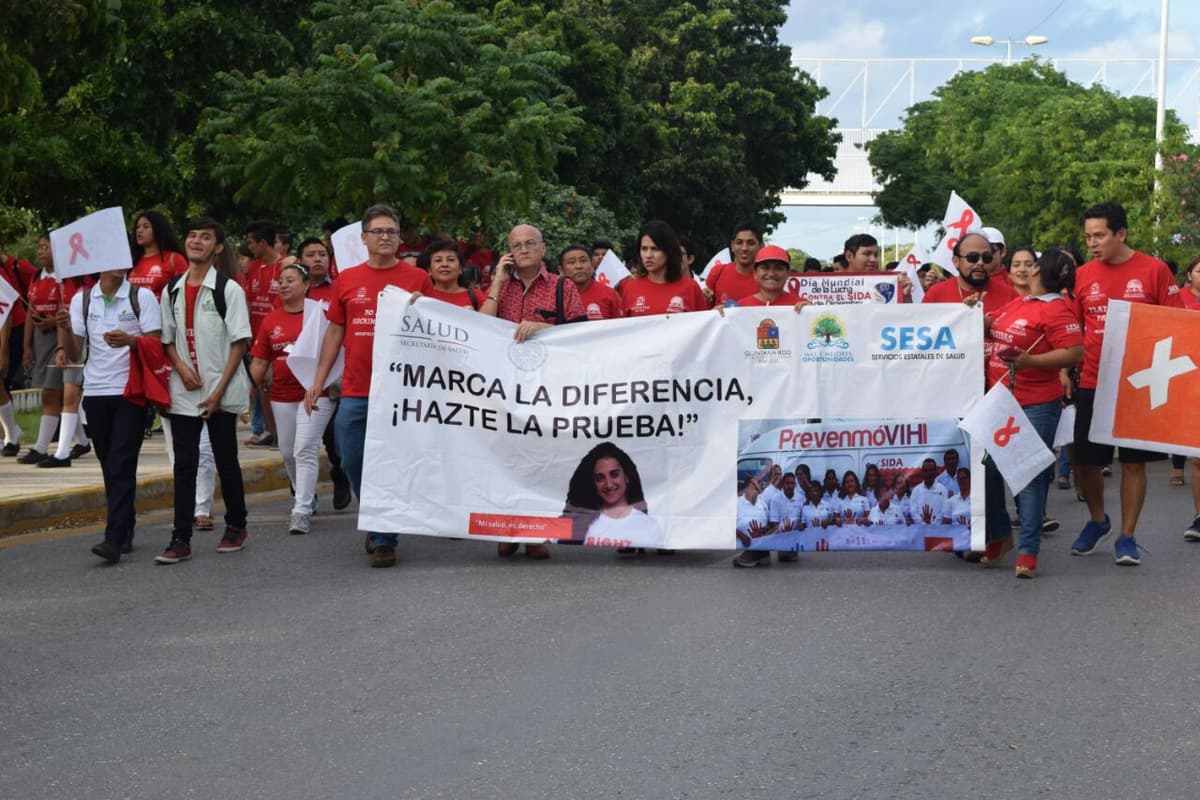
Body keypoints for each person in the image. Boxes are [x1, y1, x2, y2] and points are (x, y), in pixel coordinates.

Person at [306, 204, 434, 568]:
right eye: (377, 231)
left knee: (394, 462)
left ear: (399, 237)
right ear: (363, 238)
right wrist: (318, 381)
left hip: (402, 391)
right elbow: (335, 331)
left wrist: (422, 309)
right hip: (357, 389)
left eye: (391, 231)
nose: (384, 237)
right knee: (350, 457)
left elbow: (435, 330)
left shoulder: (417, 278)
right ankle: (377, 515)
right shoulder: (347, 279)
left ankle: (383, 537)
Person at [1069, 201, 1184, 566]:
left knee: (1134, 463)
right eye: (1088, 236)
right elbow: (1073, 329)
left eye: (1100, 235)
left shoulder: (1154, 270)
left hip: (1139, 383)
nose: (1092, 243)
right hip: (1093, 380)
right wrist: (1063, 371)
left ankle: (1127, 536)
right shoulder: (1082, 275)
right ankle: (1098, 520)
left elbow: (1177, 324)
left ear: (1121, 233)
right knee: (1086, 463)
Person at [476, 223, 586, 558]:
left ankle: (536, 533)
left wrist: (544, 328)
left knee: (540, 460)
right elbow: (481, 325)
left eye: (529, 243)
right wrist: (497, 280)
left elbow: (582, 335)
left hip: (546, 388)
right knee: (505, 458)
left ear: (543, 248)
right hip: (505, 388)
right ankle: (507, 528)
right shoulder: (500, 287)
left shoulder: (562, 286)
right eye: (516, 245)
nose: (523, 250)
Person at [977, 248, 1083, 577]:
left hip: (1036, 403)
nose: (1025, 269)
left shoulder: (1057, 310)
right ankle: (1000, 534)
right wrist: (970, 315)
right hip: (1000, 401)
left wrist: (1031, 361)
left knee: (1029, 476)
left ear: (1038, 270)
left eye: (1031, 265)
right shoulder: (1020, 302)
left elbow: (1075, 352)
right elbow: (991, 326)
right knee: (988, 470)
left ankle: (1028, 550)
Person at [155, 217, 253, 565]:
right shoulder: (171, 290)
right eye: (192, 235)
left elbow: (240, 342)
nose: (197, 241)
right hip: (185, 391)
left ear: (218, 246)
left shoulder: (228, 290)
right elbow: (166, 339)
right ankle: (180, 538)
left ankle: (236, 526)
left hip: (220, 391)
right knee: (185, 465)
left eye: (206, 237)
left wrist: (219, 391)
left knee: (226, 460)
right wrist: (181, 368)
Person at [61, 267, 161, 562]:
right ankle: (125, 525)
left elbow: (155, 345)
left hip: (131, 392)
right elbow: (75, 354)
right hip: (95, 393)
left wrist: (132, 341)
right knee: (109, 464)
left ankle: (113, 539)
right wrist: (65, 329)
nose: (119, 263)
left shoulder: (141, 297)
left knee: (120, 462)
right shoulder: (82, 300)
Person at [249, 263, 331, 535]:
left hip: (315, 394)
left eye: (290, 280)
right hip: (281, 395)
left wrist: (320, 383)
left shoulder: (320, 316)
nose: (283, 285)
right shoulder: (270, 320)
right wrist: (246, 391)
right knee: (287, 452)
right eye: (281, 281)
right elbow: (260, 361)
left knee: (304, 449)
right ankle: (304, 493)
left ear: (306, 285)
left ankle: (301, 510)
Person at [293, 236, 351, 511]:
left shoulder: (339, 288)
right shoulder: (294, 290)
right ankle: (303, 495)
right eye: (311, 255)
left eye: (322, 254)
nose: (317, 259)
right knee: (295, 443)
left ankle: (340, 474)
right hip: (298, 374)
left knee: (333, 435)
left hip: (334, 372)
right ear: (300, 260)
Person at [18, 235, 76, 465]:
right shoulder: (36, 277)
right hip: (40, 341)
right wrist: (26, 347)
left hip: (59, 339)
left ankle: (41, 447)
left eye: (46, 247)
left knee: (52, 393)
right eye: (39, 247)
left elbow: (65, 311)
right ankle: (82, 441)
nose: (40, 251)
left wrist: (54, 326)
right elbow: (31, 313)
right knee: (58, 394)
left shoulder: (64, 279)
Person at [562, 442, 665, 549]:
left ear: (626, 477)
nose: (609, 484)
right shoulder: (576, 521)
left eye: (614, 474)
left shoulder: (650, 526)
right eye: (600, 478)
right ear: (593, 483)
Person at [242, 220, 282, 447]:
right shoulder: (254, 267)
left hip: (278, 337)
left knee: (274, 385)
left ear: (263, 243)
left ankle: (281, 433)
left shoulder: (286, 266)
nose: (249, 247)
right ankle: (272, 432)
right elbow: (249, 301)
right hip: (257, 338)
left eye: (251, 242)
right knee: (262, 387)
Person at [618, 221, 708, 317]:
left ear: (668, 251)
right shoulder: (630, 288)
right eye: (644, 249)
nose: (648, 255)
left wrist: (716, 313)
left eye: (655, 249)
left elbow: (704, 323)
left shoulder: (690, 287)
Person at [922, 232, 1018, 315]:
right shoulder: (935, 295)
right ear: (956, 261)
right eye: (972, 257)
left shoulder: (1010, 296)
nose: (980, 263)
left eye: (986, 258)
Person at [0, 233, 36, 395]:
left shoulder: (15, 267)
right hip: (10, 329)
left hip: (14, 328)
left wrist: (3, 352)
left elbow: (6, 313)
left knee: (4, 383)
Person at [128, 211, 187, 298]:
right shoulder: (132, 260)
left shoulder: (174, 259)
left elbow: (184, 291)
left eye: (146, 227)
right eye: (138, 227)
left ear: (158, 230)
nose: (139, 230)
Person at [559, 244, 622, 320]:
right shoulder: (554, 296)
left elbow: (620, 325)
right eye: (572, 262)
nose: (579, 266)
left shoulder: (609, 294)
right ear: (561, 270)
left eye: (583, 261)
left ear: (592, 265)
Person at [705, 221, 761, 306]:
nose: (744, 248)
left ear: (761, 246)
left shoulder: (766, 278)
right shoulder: (717, 273)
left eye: (751, 243)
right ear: (732, 246)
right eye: (739, 242)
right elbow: (704, 309)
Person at [423, 239, 486, 309]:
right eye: (438, 260)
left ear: (460, 268)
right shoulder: (423, 296)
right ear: (429, 270)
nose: (444, 264)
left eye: (451, 260)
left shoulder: (477, 296)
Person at [736, 245, 803, 307]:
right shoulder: (740, 307)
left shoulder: (801, 306)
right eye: (765, 268)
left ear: (788, 273)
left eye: (778, 268)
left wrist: (807, 311)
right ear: (755, 273)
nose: (771, 274)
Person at [909, 458, 948, 525]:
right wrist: (923, 524)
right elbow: (913, 511)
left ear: (935, 471)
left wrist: (933, 525)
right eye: (926, 470)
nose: (928, 473)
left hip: (938, 528)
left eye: (931, 470)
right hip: (920, 528)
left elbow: (944, 510)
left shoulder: (943, 489)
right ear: (922, 472)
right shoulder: (916, 490)